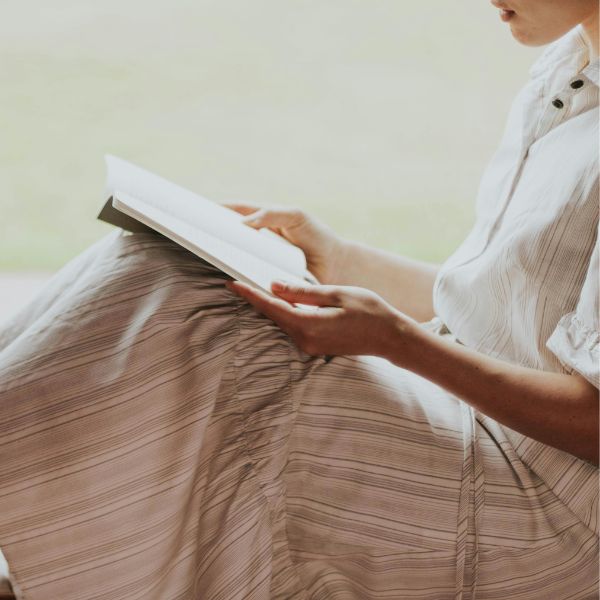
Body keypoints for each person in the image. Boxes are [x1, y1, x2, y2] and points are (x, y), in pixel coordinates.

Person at [0, 1, 598, 599]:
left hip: (550, 511)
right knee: (164, 262)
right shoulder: (564, 70)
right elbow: (500, 304)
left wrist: (398, 342)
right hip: (473, 418)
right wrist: (340, 259)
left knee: (206, 320)